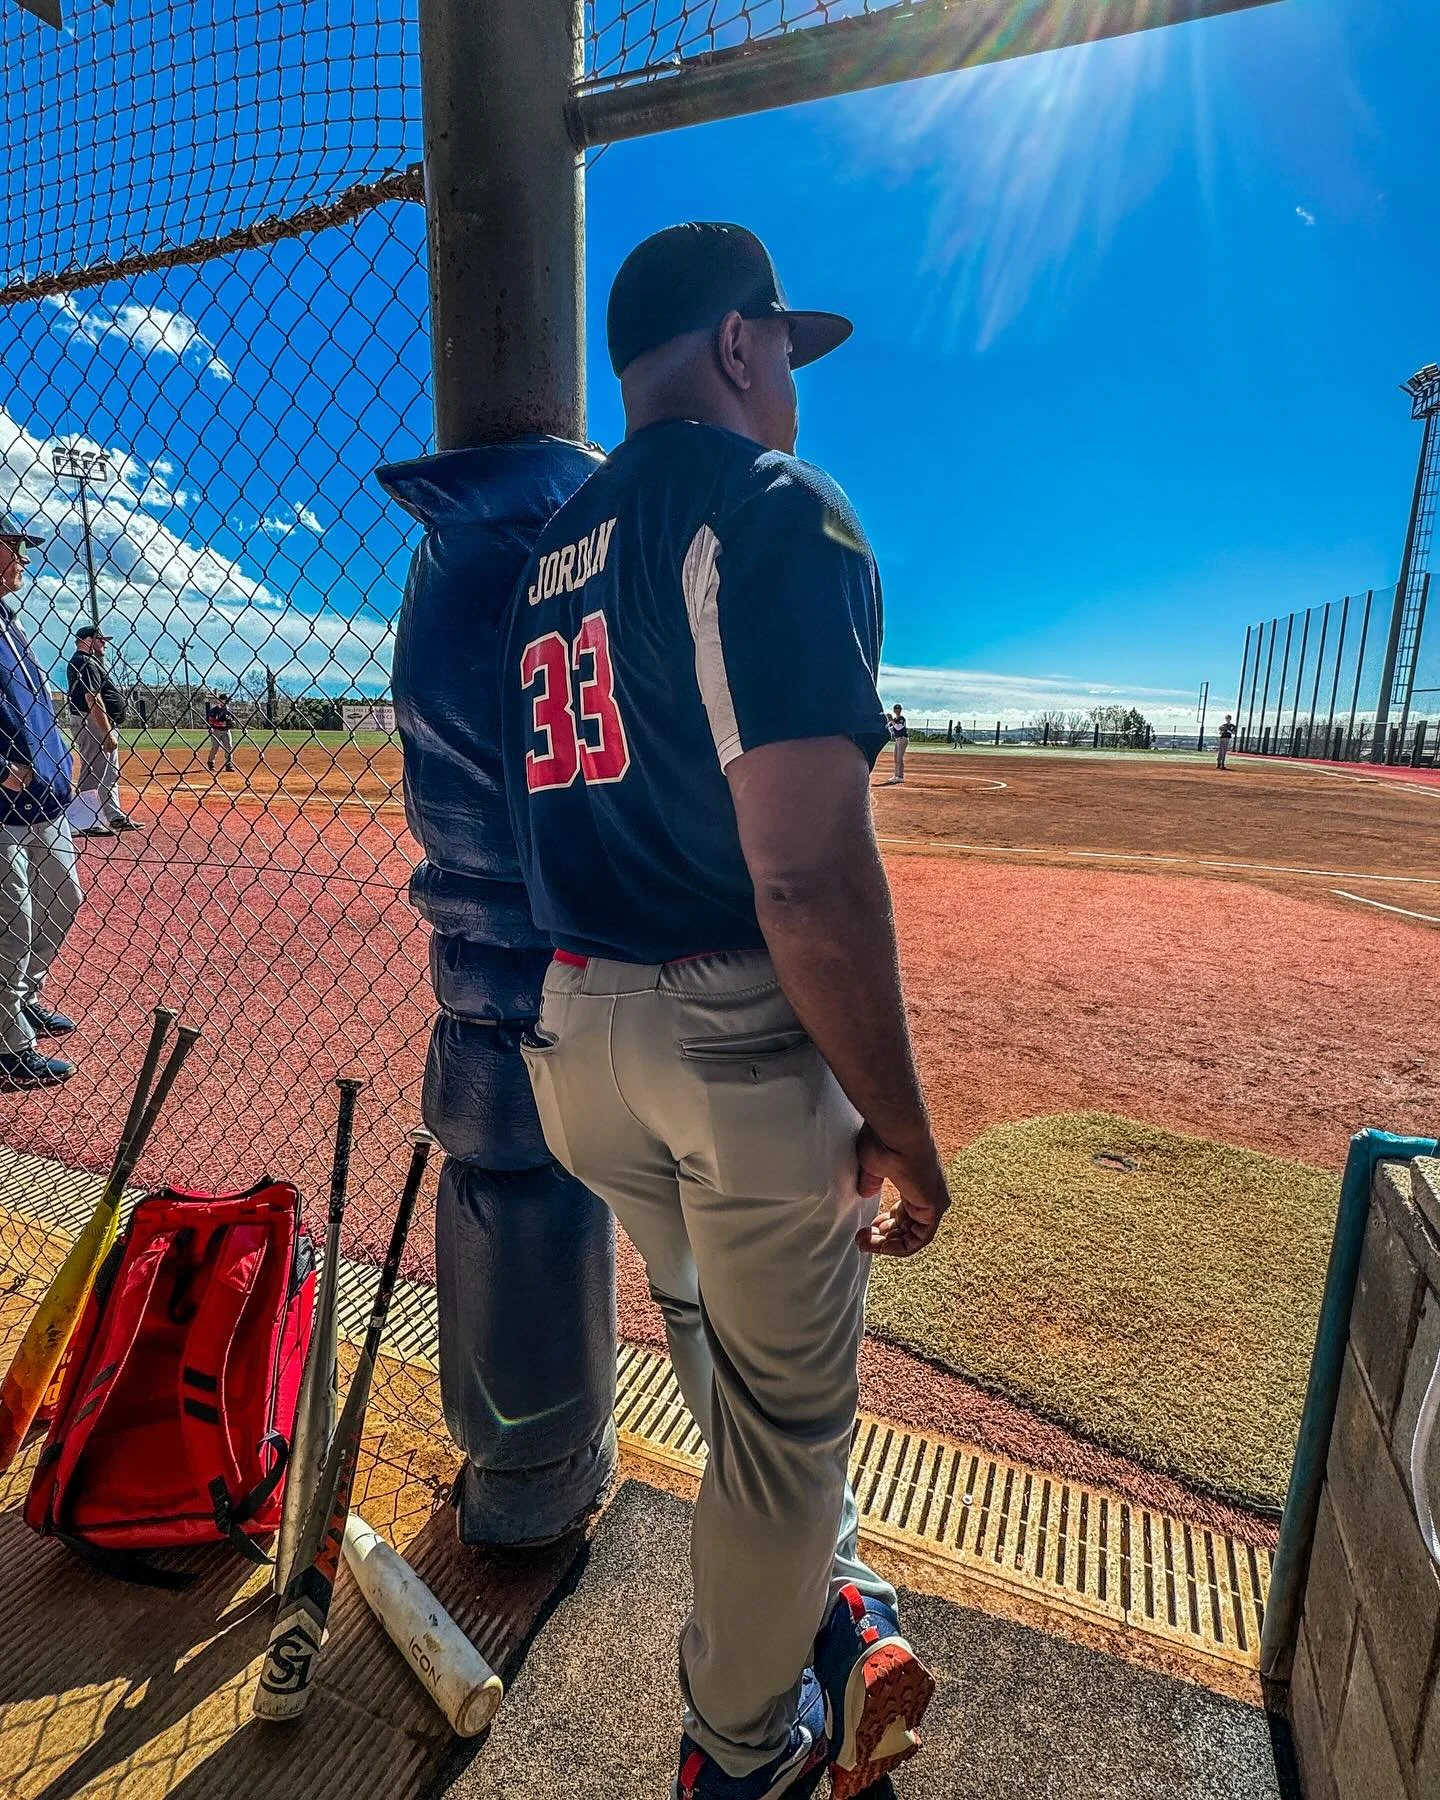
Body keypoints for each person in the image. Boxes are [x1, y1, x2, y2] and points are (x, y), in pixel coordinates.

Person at [501, 223, 947, 1800]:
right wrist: (902, 1127)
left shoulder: (553, 547)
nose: (797, 394)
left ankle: (816, 1595)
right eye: (788, 356)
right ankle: (740, 1754)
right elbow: (811, 872)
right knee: (785, 1436)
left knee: (699, 1312)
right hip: (733, 1047)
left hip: (574, 1046)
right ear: (742, 346)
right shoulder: (774, 503)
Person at [0, 518, 83, 1089]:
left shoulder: (10, 622)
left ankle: (22, 998)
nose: (24, 560)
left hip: (44, 802)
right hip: (1, 805)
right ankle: (8, 1045)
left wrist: (58, 762)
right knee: (13, 923)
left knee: (64, 897)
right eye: (15, 549)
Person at [66, 624, 138, 835]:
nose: (104, 643)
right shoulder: (84, 662)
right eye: (99, 639)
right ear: (86, 640)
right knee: (96, 771)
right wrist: (106, 731)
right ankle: (85, 820)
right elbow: (92, 697)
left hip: (95, 722)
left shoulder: (88, 662)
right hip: (92, 722)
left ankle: (113, 816)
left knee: (108, 772)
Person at [205, 692, 237, 773]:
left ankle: (228, 764)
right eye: (226, 700)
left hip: (226, 730)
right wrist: (222, 723)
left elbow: (232, 719)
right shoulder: (214, 710)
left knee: (229, 747)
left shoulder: (228, 710)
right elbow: (210, 722)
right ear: (221, 700)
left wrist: (232, 723)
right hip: (216, 731)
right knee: (215, 747)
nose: (228, 702)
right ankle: (210, 762)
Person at [885, 702, 908, 783]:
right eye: (896, 709)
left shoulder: (901, 718)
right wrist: (888, 720)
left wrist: (891, 720)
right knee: (896, 758)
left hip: (902, 738)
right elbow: (890, 728)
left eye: (899, 709)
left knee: (899, 758)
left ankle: (900, 776)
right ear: (894, 710)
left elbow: (899, 728)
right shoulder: (894, 720)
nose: (897, 710)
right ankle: (896, 775)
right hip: (897, 739)